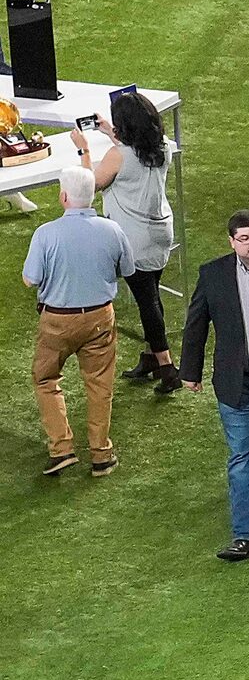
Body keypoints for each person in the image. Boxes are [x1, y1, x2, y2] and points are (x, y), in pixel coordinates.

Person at [19, 163, 129, 478]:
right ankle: (101, 455)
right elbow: (127, 269)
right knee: (100, 385)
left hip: (57, 321)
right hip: (99, 319)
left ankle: (62, 449)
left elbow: (31, 279)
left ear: (64, 196)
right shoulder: (113, 229)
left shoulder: (46, 233)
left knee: (45, 379)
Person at [79, 88, 179, 389]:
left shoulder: (118, 156)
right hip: (160, 231)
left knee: (146, 301)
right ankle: (151, 357)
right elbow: (135, 151)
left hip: (134, 238)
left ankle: (166, 366)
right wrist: (111, 133)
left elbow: (89, 185)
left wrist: (83, 150)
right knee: (152, 295)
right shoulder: (163, 147)